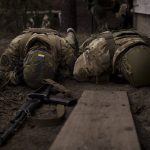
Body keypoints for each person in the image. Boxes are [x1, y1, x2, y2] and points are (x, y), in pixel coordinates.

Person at [0, 28, 78, 89]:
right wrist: (16, 76)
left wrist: (15, 77)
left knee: (70, 41)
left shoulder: (63, 46)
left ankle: (70, 32)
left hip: (54, 36)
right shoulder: (16, 45)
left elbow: (73, 70)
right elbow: (2, 71)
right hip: (30, 35)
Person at [73, 30, 150, 87]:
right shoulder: (100, 50)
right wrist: (110, 78)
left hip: (124, 45)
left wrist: (110, 78)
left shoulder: (146, 41)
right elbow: (78, 73)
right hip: (100, 43)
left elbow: (77, 74)